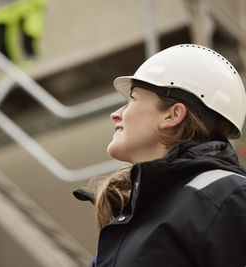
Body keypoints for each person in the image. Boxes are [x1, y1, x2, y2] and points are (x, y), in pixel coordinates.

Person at [76, 44, 246, 267]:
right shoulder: (130, 220)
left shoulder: (230, 197)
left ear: (173, 115)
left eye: (133, 99)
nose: (116, 115)